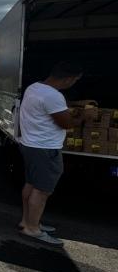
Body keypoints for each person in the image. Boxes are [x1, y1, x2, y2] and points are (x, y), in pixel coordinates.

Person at [17, 61, 82, 246]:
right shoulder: (53, 96)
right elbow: (67, 123)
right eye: (75, 80)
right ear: (69, 78)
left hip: (30, 144)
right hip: (45, 148)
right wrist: (84, 117)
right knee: (42, 190)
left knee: (31, 184)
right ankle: (32, 229)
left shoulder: (34, 87)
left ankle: (27, 221)